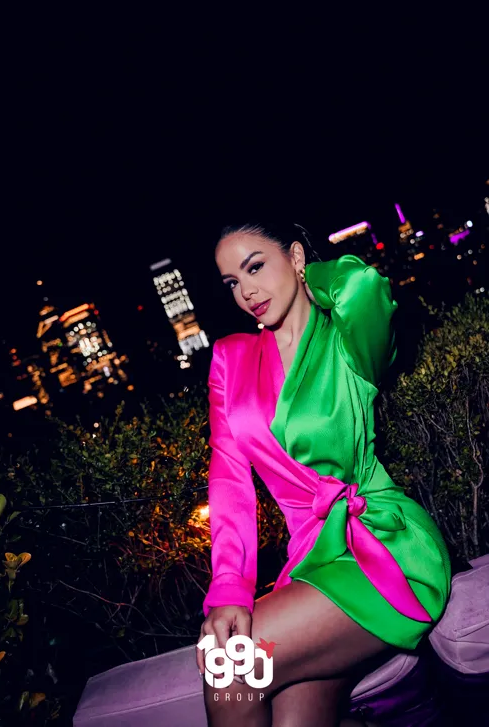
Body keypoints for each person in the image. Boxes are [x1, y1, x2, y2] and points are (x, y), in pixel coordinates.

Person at [195, 222, 451, 727]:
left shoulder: (349, 339)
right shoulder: (231, 358)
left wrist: (309, 278)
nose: (246, 291)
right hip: (310, 561)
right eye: (231, 282)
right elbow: (229, 482)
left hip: (382, 544)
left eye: (256, 267)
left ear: (293, 257)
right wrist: (229, 586)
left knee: (230, 668)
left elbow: (362, 287)